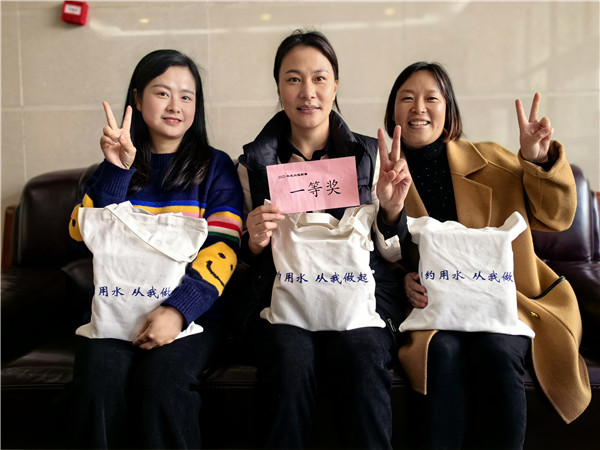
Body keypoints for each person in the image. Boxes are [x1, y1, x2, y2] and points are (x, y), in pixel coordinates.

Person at [383, 61, 591, 449]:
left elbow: (557, 217)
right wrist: (400, 279)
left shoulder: (492, 160)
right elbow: (374, 251)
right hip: (434, 310)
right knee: (441, 352)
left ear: (449, 110)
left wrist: (537, 161)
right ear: (393, 111)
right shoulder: (382, 175)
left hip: (506, 302)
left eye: (431, 98)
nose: (418, 108)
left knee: (495, 349)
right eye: (406, 98)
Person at [236, 29, 412, 449]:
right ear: (278, 89)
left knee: (363, 356)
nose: (307, 92)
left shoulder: (371, 156)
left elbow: (392, 252)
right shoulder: (252, 164)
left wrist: (391, 210)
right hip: (283, 301)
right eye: (293, 79)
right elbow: (246, 257)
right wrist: (254, 241)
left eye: (319, 78)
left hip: (360, 300)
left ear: (335, 86)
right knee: (289, 361)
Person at [62, 49, 243, 449]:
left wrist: (177, 311)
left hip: (193, 317)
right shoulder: (114, 166)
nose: (175, 106)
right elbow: (79, 233)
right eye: (162, 93)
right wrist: (116, 169)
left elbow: (225, 248)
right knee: (97, 383)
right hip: (116, 312)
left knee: (161, 383)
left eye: (186, 96)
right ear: (138, 99)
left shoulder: (216, 168)